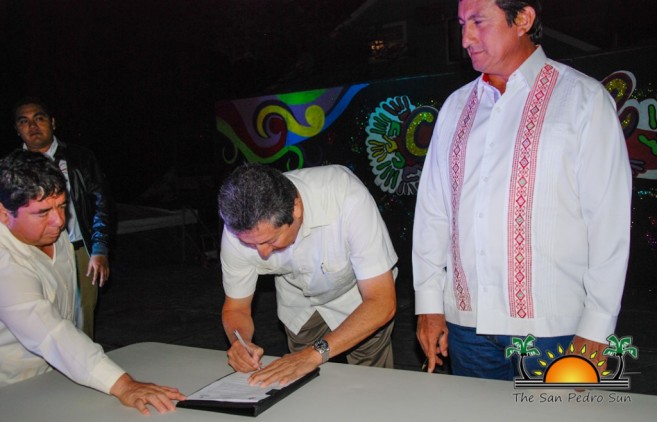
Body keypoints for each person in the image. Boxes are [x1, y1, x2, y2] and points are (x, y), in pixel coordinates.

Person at [413, 0, 632, 380]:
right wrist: (429, 304)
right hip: (468, 327)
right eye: (462, 23)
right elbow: (434, 211)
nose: (465, 38)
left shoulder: (582, 99)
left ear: (523, 20)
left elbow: (608, 220)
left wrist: (597, 327)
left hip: (554, 330)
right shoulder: (455, 106)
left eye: (478, 21)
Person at [0, 150, 185, 414]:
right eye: (43, 212)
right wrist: (123, 385)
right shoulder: (4, 262)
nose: (60, 221)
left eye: (62, 206)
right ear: (4, 214)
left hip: (56, 373)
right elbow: (50, 333)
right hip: (10, 388)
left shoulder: (51, 232)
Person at [218, 163, 397, 386]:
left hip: (358, 299)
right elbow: (236, 308)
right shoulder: (239, 228)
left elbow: (381, 302)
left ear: (296, 209)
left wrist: (313, 354)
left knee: (370, 382)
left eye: (270, 241)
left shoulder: (347, 197)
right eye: (250, 245)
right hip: (298, 304)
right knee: (305, 386)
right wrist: (240, 341)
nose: (262, 253)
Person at [13, 97, 112, 339]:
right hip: (32, 253)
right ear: (17, 129)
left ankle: (84, 371)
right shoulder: (11, 167)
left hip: (79, 251)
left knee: (82, 316)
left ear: (52, 122)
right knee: (38, 314)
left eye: (39, 118)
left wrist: (99, 249)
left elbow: (101, 204)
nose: (33, 126)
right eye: (24, 121)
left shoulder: (79, 158)